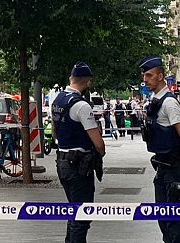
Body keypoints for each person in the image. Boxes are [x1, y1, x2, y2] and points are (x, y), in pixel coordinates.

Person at [139, 56, 180, 243]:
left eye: (149, 75)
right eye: (144, 76)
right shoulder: (155, 100)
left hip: (175, 167)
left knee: (176, 221)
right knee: (163, 217)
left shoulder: (168, 103)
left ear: (160, 76)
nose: (145, 79)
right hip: (163, 166)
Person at [52, 61, 106, 243]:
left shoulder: (58, 100)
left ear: (71, 78)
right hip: (78, 165)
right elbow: (97, 142)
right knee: (82, 215)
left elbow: (54, 131)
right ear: (87, 82)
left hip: (62, 161)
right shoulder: (81, 106)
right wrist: (101, 151)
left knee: (73, 210)